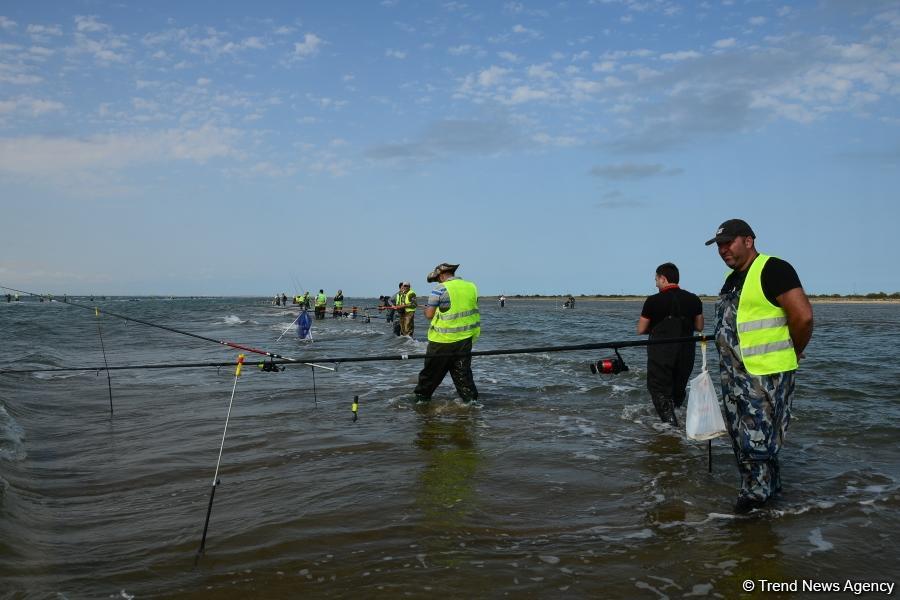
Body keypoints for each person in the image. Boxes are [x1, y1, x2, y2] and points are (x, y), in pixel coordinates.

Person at [706, 219, 813, 513]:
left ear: (748, 241)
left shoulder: (773, 269)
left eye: (728, 242)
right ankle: (770, 498)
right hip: (735, 378)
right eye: (719, 245)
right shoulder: (732, 279)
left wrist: (795, 351)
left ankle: (753, 507)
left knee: (757, 442)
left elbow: (802, 317)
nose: (723, 249)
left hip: (764, 376)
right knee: (744, 440)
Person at [636, 262, 704, 424]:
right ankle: (680, 421)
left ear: (663, 279)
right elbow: (699, 327)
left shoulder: (652, 301)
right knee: (678, 389)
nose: (655, 283)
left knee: (658, 389)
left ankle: (670, 429)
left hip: (661, 353)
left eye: (656, 279)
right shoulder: (694, 299)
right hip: (686, 352)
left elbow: (641, 329)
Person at [414, 263, 480, 403]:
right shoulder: (471, 287)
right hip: (465, 339)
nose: (438, 281)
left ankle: (421, 402)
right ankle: (471, 403)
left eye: (438, 278)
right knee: (463, 375)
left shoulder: (440, 288)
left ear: (442, 275)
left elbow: (429, 315)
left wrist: (426, 309)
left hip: (442, 341)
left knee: (430, 375)